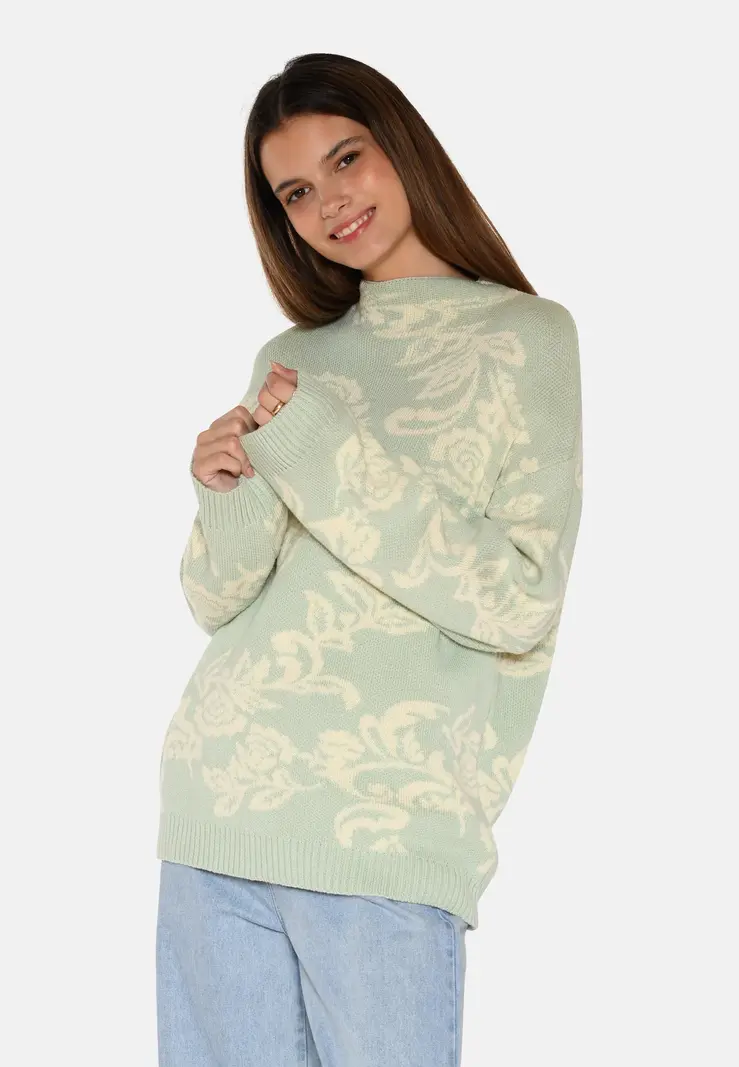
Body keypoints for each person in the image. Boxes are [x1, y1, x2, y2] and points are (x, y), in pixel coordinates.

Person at [155, 51, 584, 1067]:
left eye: (345, 158)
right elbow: (217, 597)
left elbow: (518, 596)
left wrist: (318, 450)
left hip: (386, 829)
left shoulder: (526, 338)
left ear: (402, 145)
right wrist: (228, 488)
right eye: (296, 192)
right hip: (218, 804)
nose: (330, 202)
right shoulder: (290, 359)